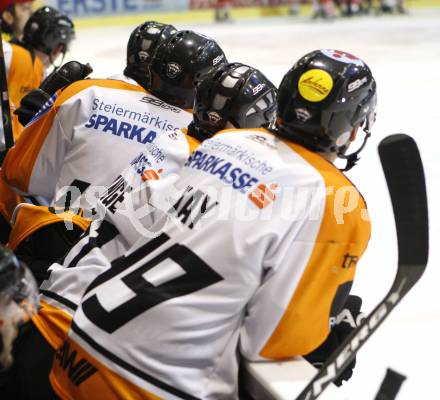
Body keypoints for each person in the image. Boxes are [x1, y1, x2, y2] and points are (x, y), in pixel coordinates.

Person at [44, 49, 377, 399]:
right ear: (352, 130)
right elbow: (269, 344)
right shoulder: (339, 199)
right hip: (149, 380)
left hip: (80, 342)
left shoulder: (223, 143)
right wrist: (325, 337)